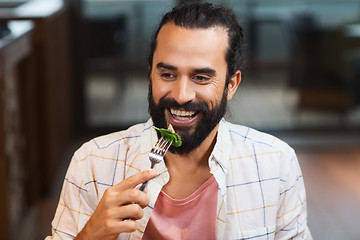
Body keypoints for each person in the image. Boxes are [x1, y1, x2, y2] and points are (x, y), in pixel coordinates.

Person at [46, 2, 312, 239]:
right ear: (150, 74)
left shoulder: (276, 164)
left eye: (201, 77)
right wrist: (90, 236)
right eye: (168, 75)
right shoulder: (92, 163)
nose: (181, 96)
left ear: (231, 85)